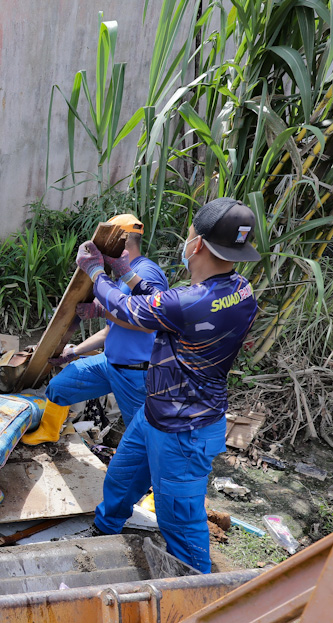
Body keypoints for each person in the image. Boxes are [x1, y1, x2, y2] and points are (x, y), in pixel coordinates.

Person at [79, 198, 261, 573]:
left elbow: (132, 310)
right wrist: (125, 270)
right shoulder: (240, 289)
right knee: (122, 477)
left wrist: (97, 272)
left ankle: (197, 593)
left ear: (196, 245)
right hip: (158, 412)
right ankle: (103, 532)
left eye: (190, 234)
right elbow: (160, 302)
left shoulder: (191, 301)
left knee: (178, 518)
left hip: (185, 428)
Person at [22, 214, 169, 444]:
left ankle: (151, 478)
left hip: (135, 373)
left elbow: (148, 326)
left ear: (120, 240)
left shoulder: (146, 273)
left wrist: (103, 311)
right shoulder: (124, 273)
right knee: (61, 386)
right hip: (110, 363)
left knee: (140, 435)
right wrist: (76, 351)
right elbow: (111, 330)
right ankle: (49, 431)